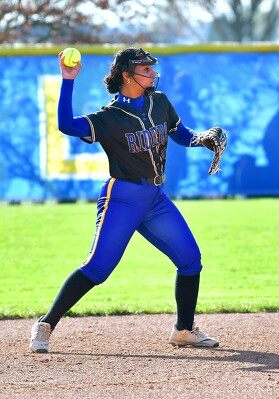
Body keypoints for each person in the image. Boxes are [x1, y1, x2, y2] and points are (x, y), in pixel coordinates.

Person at [29, 47, 222, 353]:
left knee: (190, 260)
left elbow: (180, 133)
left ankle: (184, 330)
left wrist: (201, 139)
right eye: (146, 69)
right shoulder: (110, 117)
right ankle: (46, 323)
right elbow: (67, 125)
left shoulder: (159, 102)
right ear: (126, 75)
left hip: (155, 198)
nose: (153, 73)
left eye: (151, 68)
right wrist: (68, 79)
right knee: (97, 269)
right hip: (123, 198)